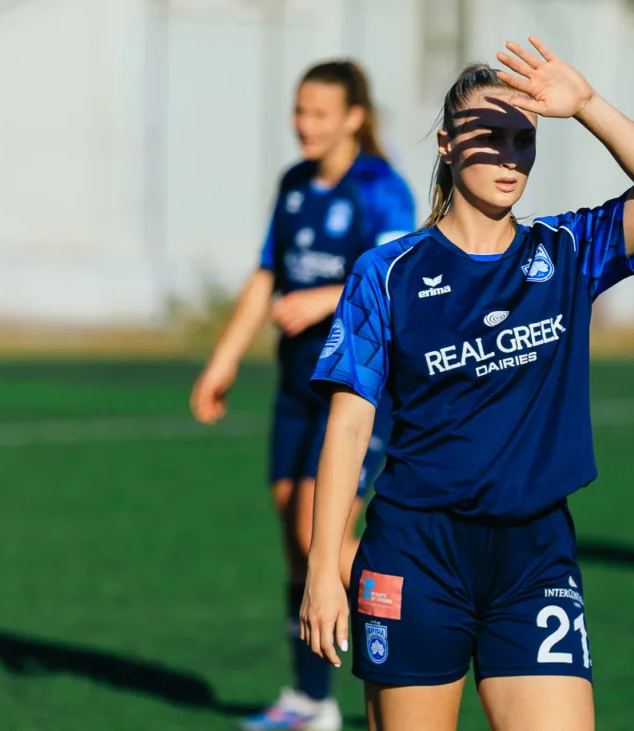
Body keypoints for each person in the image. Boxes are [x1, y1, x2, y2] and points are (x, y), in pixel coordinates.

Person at [299, 37, 634, 731]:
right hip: (416, 554)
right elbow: (350, 426)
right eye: (491, 137)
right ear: (447, 145)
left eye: (523, 140)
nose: (510, 158)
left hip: (535, 557)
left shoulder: (567, 252)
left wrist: (588, 104)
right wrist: (323, 566)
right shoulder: (386, 273)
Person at [190, 59, 415, 730]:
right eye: (299, 110)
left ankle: (425, 615)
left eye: (319, 113)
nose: (304, 124)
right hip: (295, 384)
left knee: (319, 531)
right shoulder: (294, 184)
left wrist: (324, 297)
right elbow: (266, 275)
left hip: (357, 389)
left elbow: (398, 278)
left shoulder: (382, 188)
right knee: (296, 539)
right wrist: (223, 360)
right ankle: (312, 701)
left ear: (353, 117)